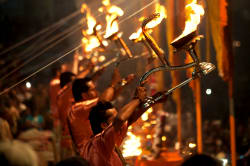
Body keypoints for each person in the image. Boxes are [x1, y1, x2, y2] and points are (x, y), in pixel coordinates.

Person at [81, 86, 166, 166]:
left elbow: (130, 118)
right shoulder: (100, 142)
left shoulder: (109, 138)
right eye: (114, 120)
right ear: (104, 125)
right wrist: (137, 99)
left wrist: (153, 100)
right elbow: (120, 119)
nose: (121, 124)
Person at [68, 68, 135, 155]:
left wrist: (124, 83)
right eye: (92, 90)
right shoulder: (77, 108)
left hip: (95, 149)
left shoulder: (85, 106)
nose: (95, 92)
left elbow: (110, 97)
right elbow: (104, 99)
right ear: (84, 95)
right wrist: (113, 83)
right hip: (88, 154)